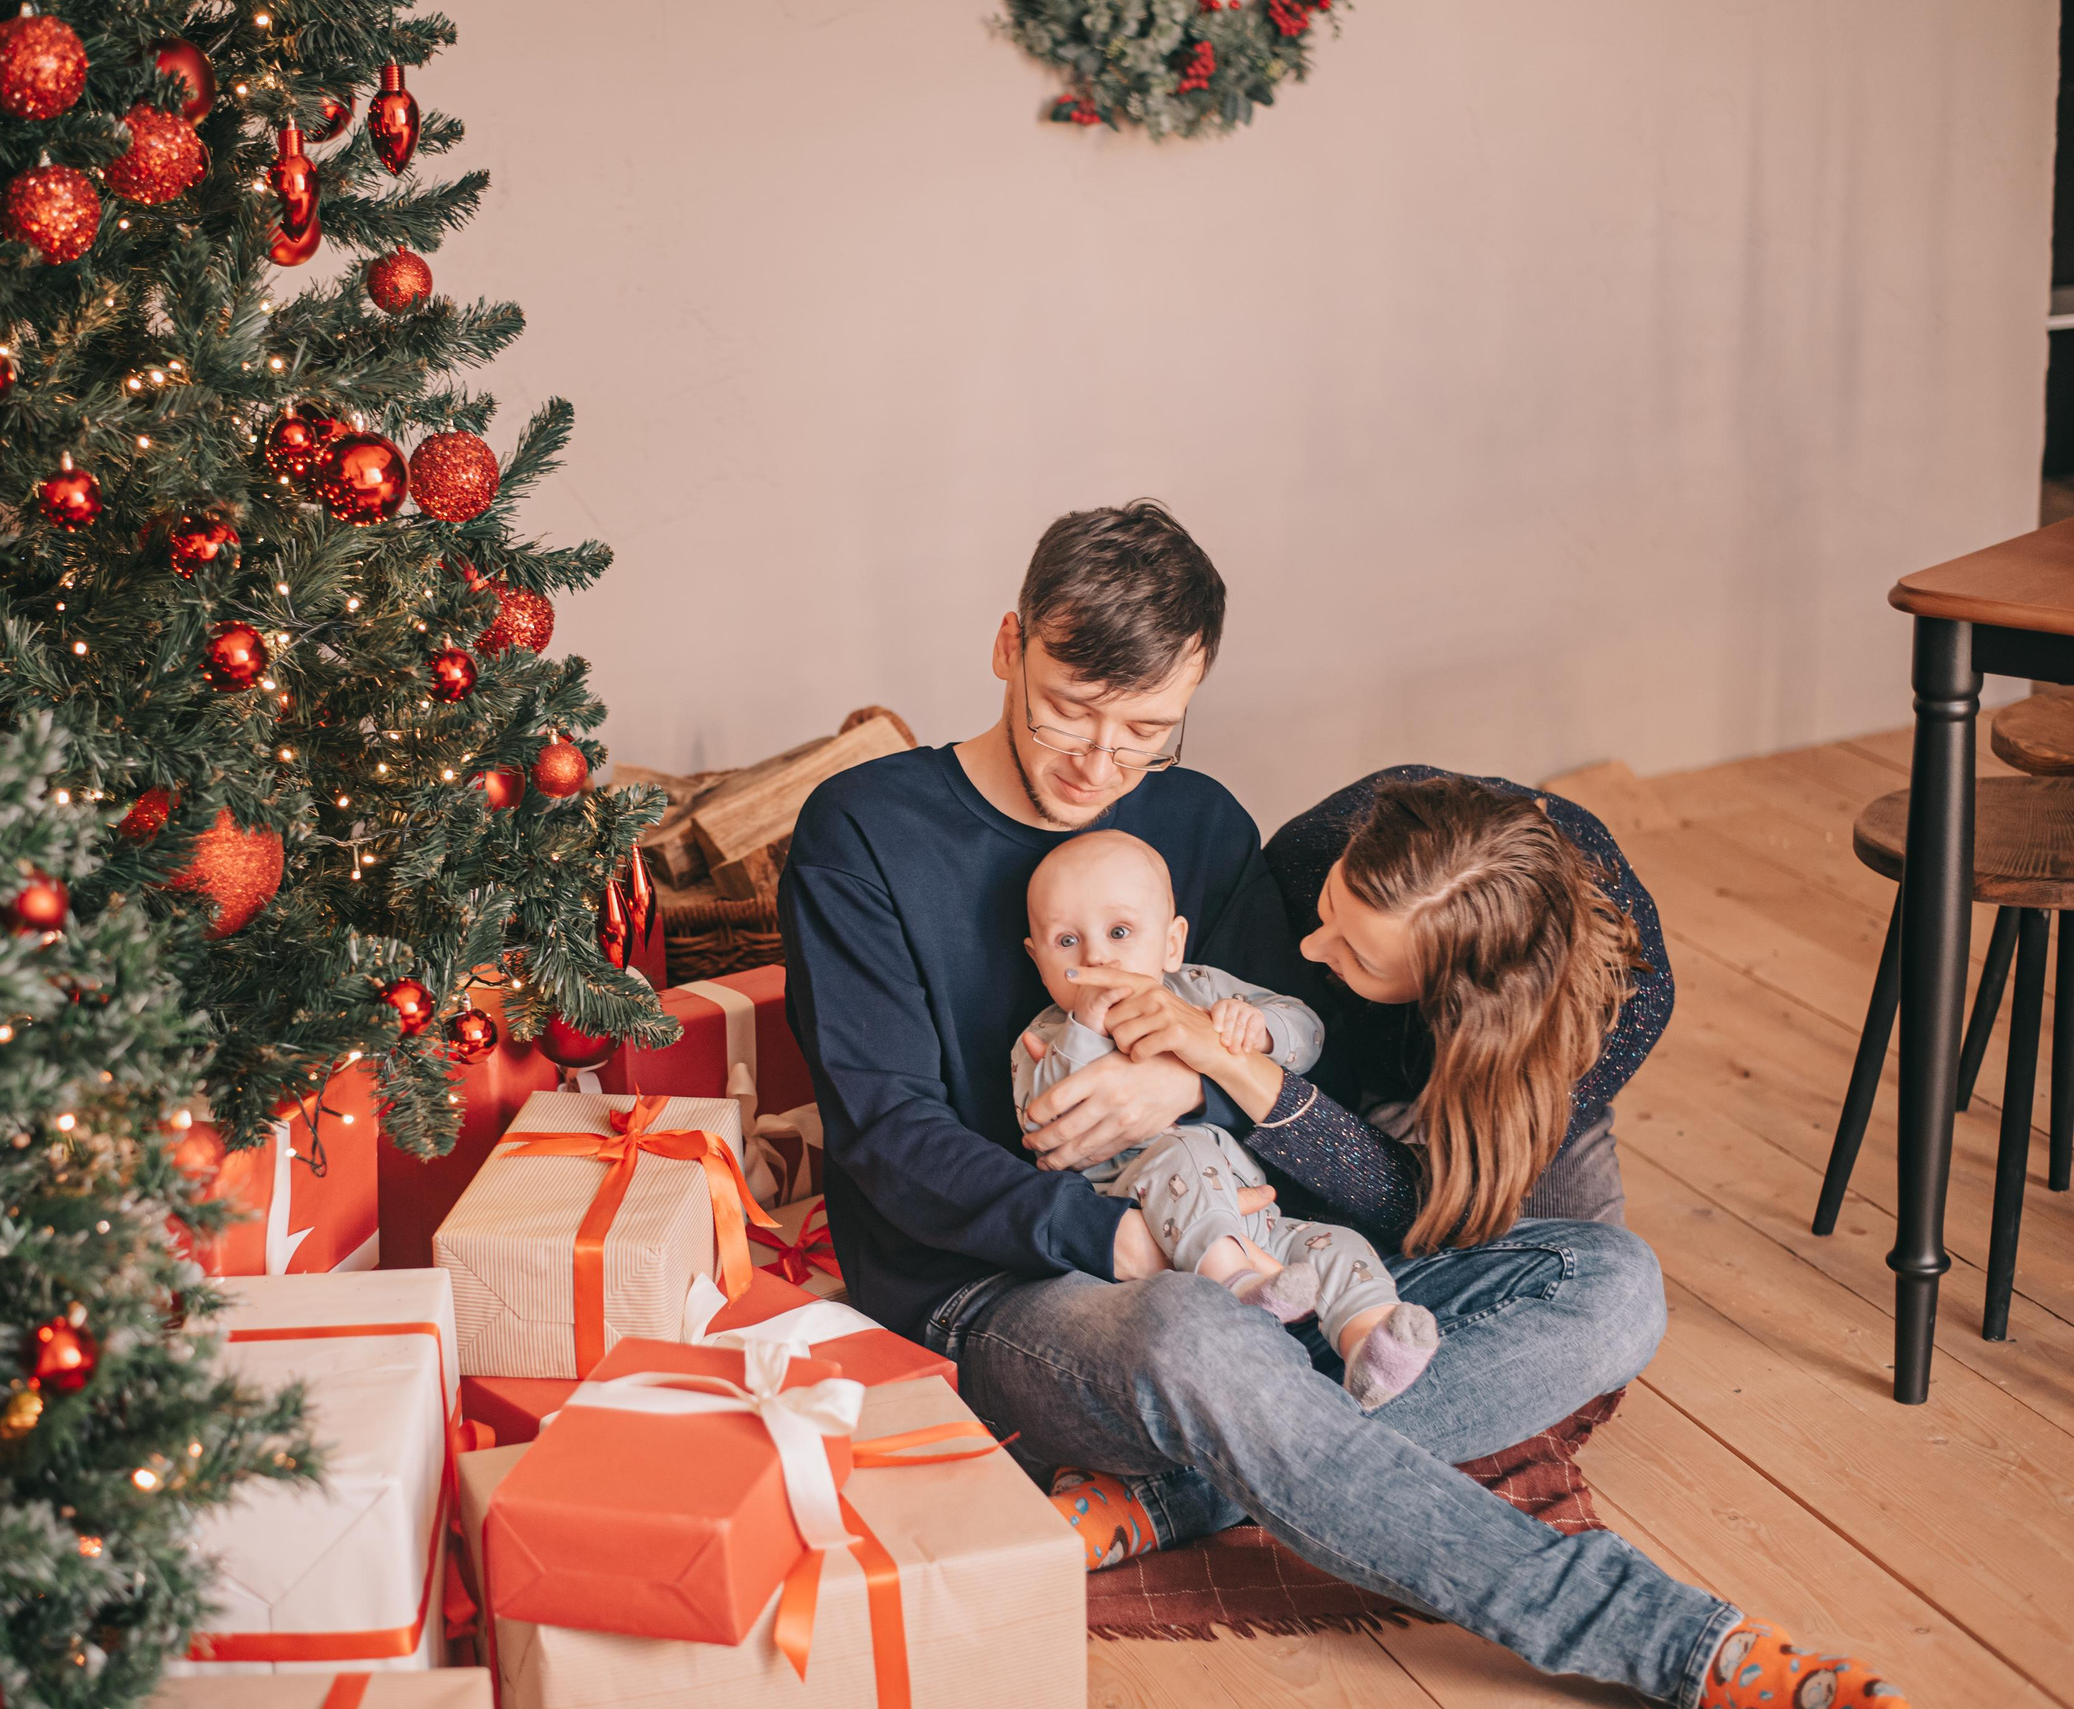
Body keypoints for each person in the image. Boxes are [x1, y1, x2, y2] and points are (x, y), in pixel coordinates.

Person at [779, 499, 1909, 1709]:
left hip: (1248, 1243)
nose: (1097, 763)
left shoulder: (1199, 821)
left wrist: (1189, 1074)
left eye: (1145, 730)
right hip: (1007, 1286)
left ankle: (1190, 1484)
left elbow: (1278, 1070)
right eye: (1065, 707)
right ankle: (1668, 1638)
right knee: (1193, 1334)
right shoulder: (864, 829)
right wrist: (1111, 1234)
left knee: (1610, 1280)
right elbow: (887, 1139)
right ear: (1008, 645)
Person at [1012, 829, 1443, 1409]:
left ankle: (1371, 1344)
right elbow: (1046, 1126)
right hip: (1150, 1212)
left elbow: (1307, 1030)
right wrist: (1085, 1032)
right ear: (1038, 960)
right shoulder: (1044, 1039)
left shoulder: (1202, 989)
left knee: (1336, 1244)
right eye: (1067, 942)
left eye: (1119, 933)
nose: (1097, 958)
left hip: (1256, 1211)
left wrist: (1259, 1030)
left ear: (1171, 943)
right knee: (1182, 1153)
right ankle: (1237, 1288)